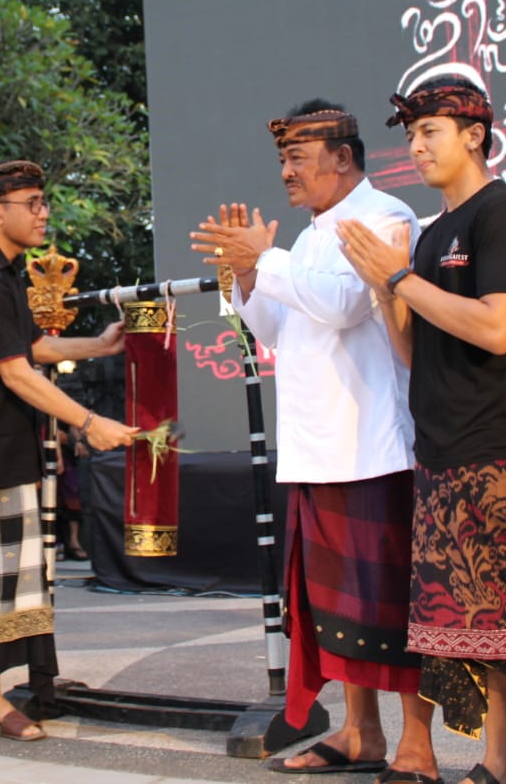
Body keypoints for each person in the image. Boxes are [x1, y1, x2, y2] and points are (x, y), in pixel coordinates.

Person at [339, 79, 506, 784]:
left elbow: (499, 328)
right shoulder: (435, 228)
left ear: (474, 134)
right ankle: (499, 765)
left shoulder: (501, 213)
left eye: (430, 132)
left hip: (500, 448)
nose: (415, 148)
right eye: (409, 135)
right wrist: (389, 288)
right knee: (481, 625)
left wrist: (401, 280)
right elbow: (418, 352)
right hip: (442, 451)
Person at [190, 101, 438, 782]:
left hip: (373, 448)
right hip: (315, 447)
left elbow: (342, 304)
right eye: (281, 159)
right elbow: (276, 330)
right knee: (338, 613)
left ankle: (417, 747)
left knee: (393, 608)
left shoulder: (386, 217)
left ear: (343, 157)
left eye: (298, 157)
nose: (286, 172)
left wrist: (261, 256)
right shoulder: (305, 237)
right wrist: (245, 274)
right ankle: (361, 735)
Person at [0, 160, 137, 752]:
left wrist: (97, 344)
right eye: (33, 202)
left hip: (6, 444)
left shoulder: (5, 270)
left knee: (8, 583)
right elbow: (16, 372)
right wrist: (91, 422)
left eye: (44, 202)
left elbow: (34, 345)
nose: (44, 213)